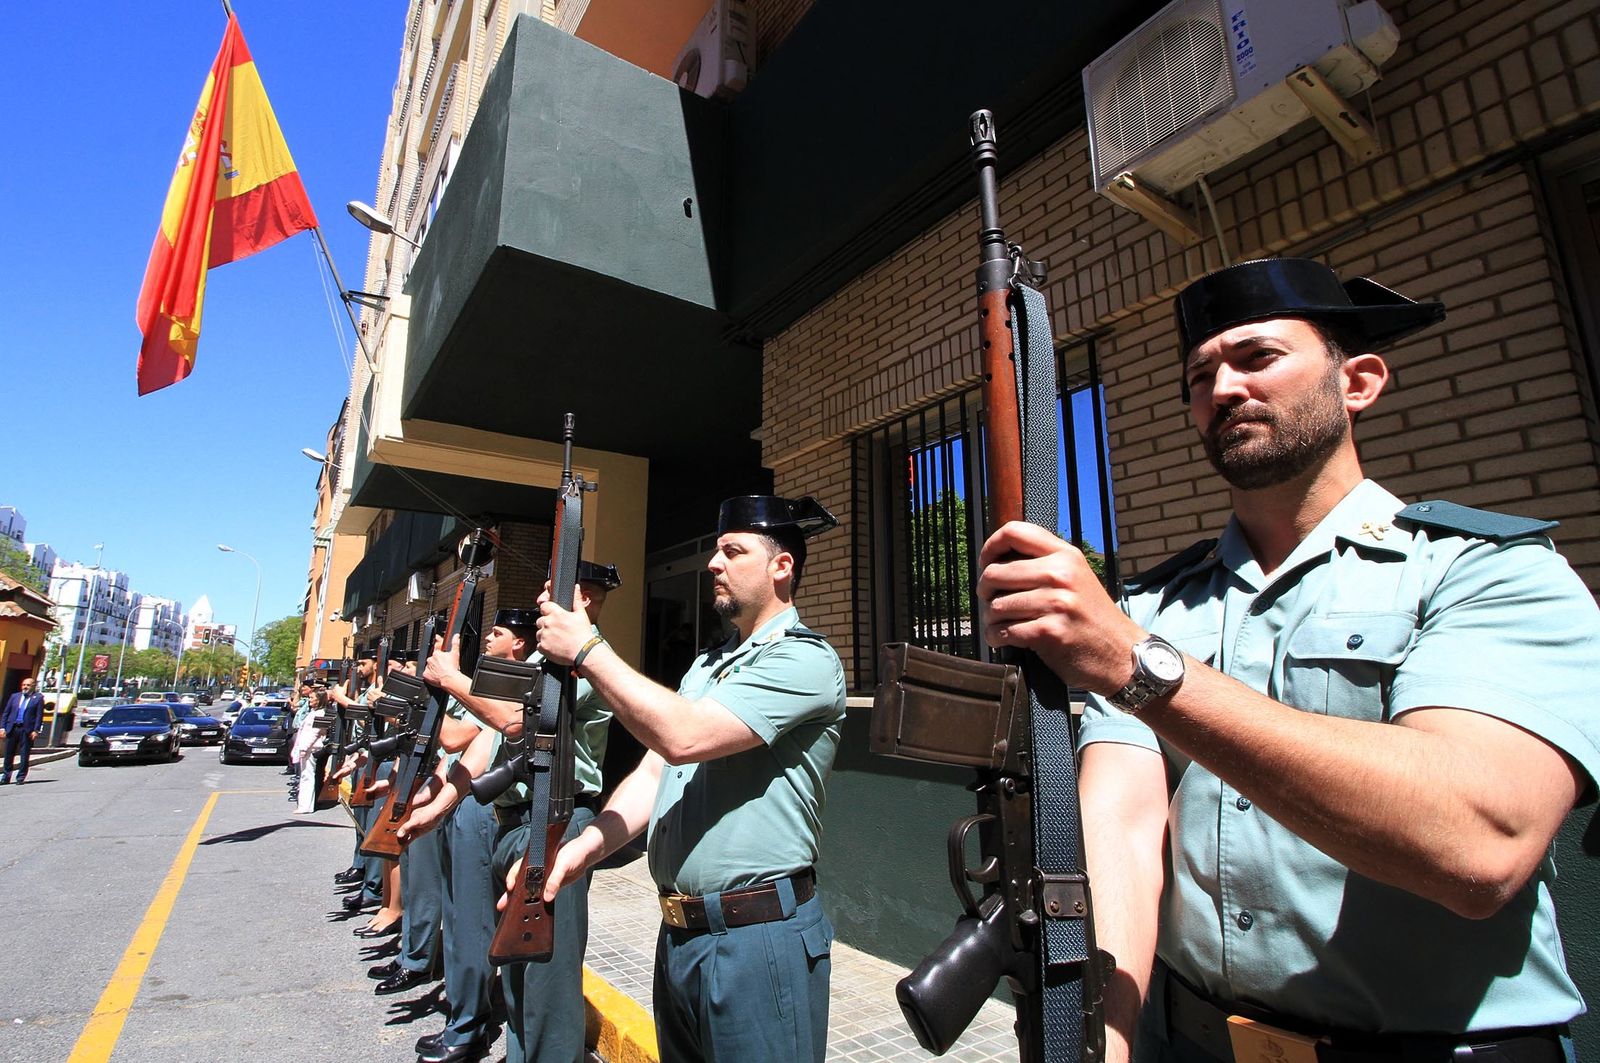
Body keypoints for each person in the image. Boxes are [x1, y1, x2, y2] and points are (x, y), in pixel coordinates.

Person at [974, 257, 1600, 1063]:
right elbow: (1123, 831)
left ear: (1359, 382)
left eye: (1257, 357)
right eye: (1199, 376)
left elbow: (1481, 840)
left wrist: (1137, 665)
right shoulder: (1157, 609)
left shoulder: (1484, 571)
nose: (1223, 388)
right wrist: (1106, 1046)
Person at [535, 496, 846, 1063]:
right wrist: (586, 847)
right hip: (680, 936)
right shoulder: (709, 664)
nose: (713, 563)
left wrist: (586, 648)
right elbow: (657, 767)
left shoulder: (806, 660)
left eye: (733, 551)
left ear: (782, 566)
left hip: (756, 941)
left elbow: (685, 736)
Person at [411, 565, 619, 1063]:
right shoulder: (544, 663)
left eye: (553, 589)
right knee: (519, 969)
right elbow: (486, 743)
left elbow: (516, 723)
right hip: (517, 820)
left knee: (547, 977)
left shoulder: (585, 660)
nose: (541, 597)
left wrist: (453, 679)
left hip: (555, 819)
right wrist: (441, 805)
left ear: (584, 599)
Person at [1, 677, 44, 785]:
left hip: (26, 730)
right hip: (13, 728)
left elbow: (39, 716)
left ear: (33, 686)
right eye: (24, 685)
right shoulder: (14, 696)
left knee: (24, 754)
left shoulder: (38, 698)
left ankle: (20, 777)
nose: (25, 687)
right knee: (8, 754)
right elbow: (6, 713)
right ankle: (6, 776)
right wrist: (2, 728)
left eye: (28, 685)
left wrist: (36, 730)